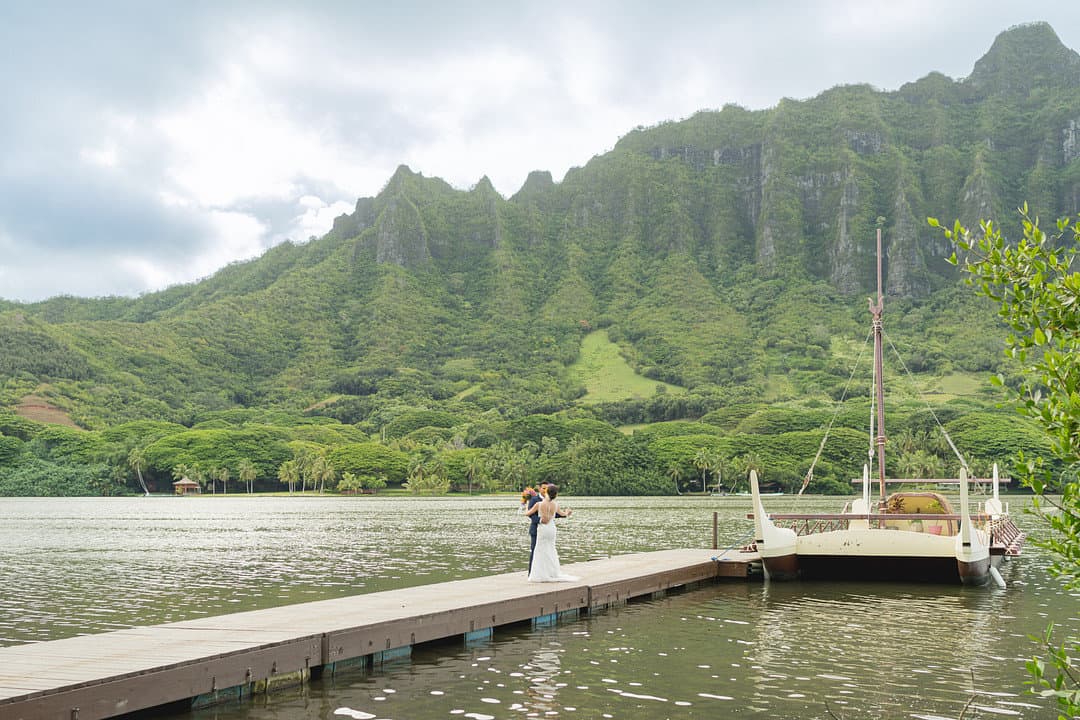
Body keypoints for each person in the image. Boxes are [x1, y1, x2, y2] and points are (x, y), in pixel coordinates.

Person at [525, 484, 578, 582]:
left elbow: (527, 513)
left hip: (543, 529)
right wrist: (567, 512)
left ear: (547, 492)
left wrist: (526, 504)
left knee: (540, 550)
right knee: (551, 549)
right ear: (555, 495)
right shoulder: (555, 505)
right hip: (551, 529)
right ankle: (552, 572)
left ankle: (540, 574)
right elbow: (563, 514)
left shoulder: (539, 504)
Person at [526, 481, 565, 574]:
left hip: (545, 529)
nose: (545, 490)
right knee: (535, 551)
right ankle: (532, 573)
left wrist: (525, 505)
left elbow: (556, 514)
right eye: (543, 488)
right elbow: (531, 516)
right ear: (539, 488)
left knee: (547, 550)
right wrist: (540, 520)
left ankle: (546, 572)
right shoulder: (534, 500)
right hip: (538, 529)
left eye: (547, 488)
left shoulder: (546, 503)